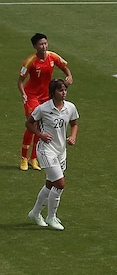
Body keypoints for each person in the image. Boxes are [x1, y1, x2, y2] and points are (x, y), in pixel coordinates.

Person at [26, 79, 79, 231]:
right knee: (60, 184)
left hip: (61, 151)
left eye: (65, 90)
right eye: (60, 90)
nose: (64, 93)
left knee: (50, 184)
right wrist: (40, 134)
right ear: (53, 92)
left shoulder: (70, 107)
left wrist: (73, 136)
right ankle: (51, 217)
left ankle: (35, 213)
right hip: (46, 150)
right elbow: (29, 123)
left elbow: (74, 123)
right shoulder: (43, 109)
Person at [18, 33, 74, 172]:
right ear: (35, 46)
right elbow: (20, 81)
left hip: (46, 96)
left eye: (45, 43)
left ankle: (33, 158)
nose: (44, 46)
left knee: (42, 127)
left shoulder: (52, 57)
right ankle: (23, 158)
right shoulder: (30, 61)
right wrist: (24, 94)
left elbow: (64, 66)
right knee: (32, 125)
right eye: (41, 44)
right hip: (32, 96)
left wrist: (69, 75)